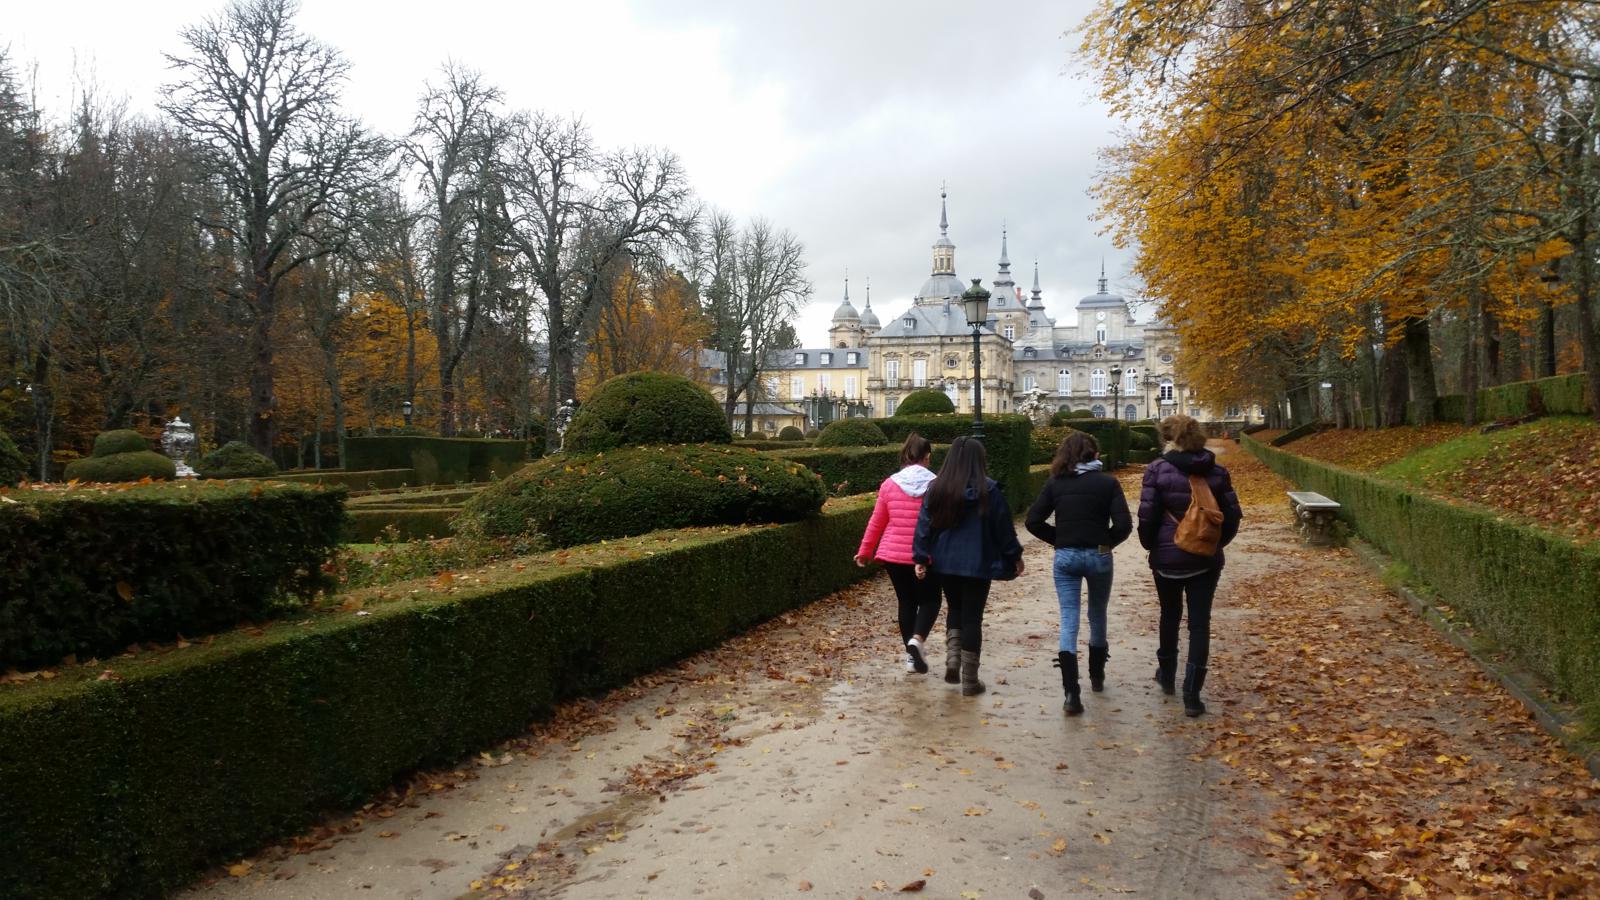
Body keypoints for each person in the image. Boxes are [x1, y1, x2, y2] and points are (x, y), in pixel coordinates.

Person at [1137, 414, 1243, 717]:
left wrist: (1152, 547)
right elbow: (1232, 517)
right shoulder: (1217, 471)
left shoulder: (1156, 470)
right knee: (1199, 624)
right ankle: (1192, 695)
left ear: (1169, 438)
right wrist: (1214, 544)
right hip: (1205, 560)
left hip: (1166, 558)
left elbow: (1147, 517)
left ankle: (1167, 675)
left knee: (1169, 615)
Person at [1025, 431, 1132, 715]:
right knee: (1097, 613)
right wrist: (1106, 543)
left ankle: (1071, 693)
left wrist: (1059, 539)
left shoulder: (1055, 483)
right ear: (1095, 455)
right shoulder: (1108, 483)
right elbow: (1124, 525)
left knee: (1068, 617)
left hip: (1066, 556)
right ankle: (1097, 676)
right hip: (1099, 554)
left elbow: (1033, 521)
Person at [912, 435, 1025, 696]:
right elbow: (1004, 529)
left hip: (945, 562)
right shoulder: (990, 491)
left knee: (955, 608)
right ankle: (970, 680)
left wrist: (921, 557)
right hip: (978, 562)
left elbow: (923, 526)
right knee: (972, 617)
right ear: (979, 459)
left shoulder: (937, 489)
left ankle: (953, 662)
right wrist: (1015, 556)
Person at [856, 433, 943, 674]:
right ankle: (917, 640)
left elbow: (877, 521)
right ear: (927, 456)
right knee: (930, 600)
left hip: (893, 554)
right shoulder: (937, 484)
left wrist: (865, 551)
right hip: (925, 555)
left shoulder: (890, 484)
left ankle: (911, 657)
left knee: (906, 602)